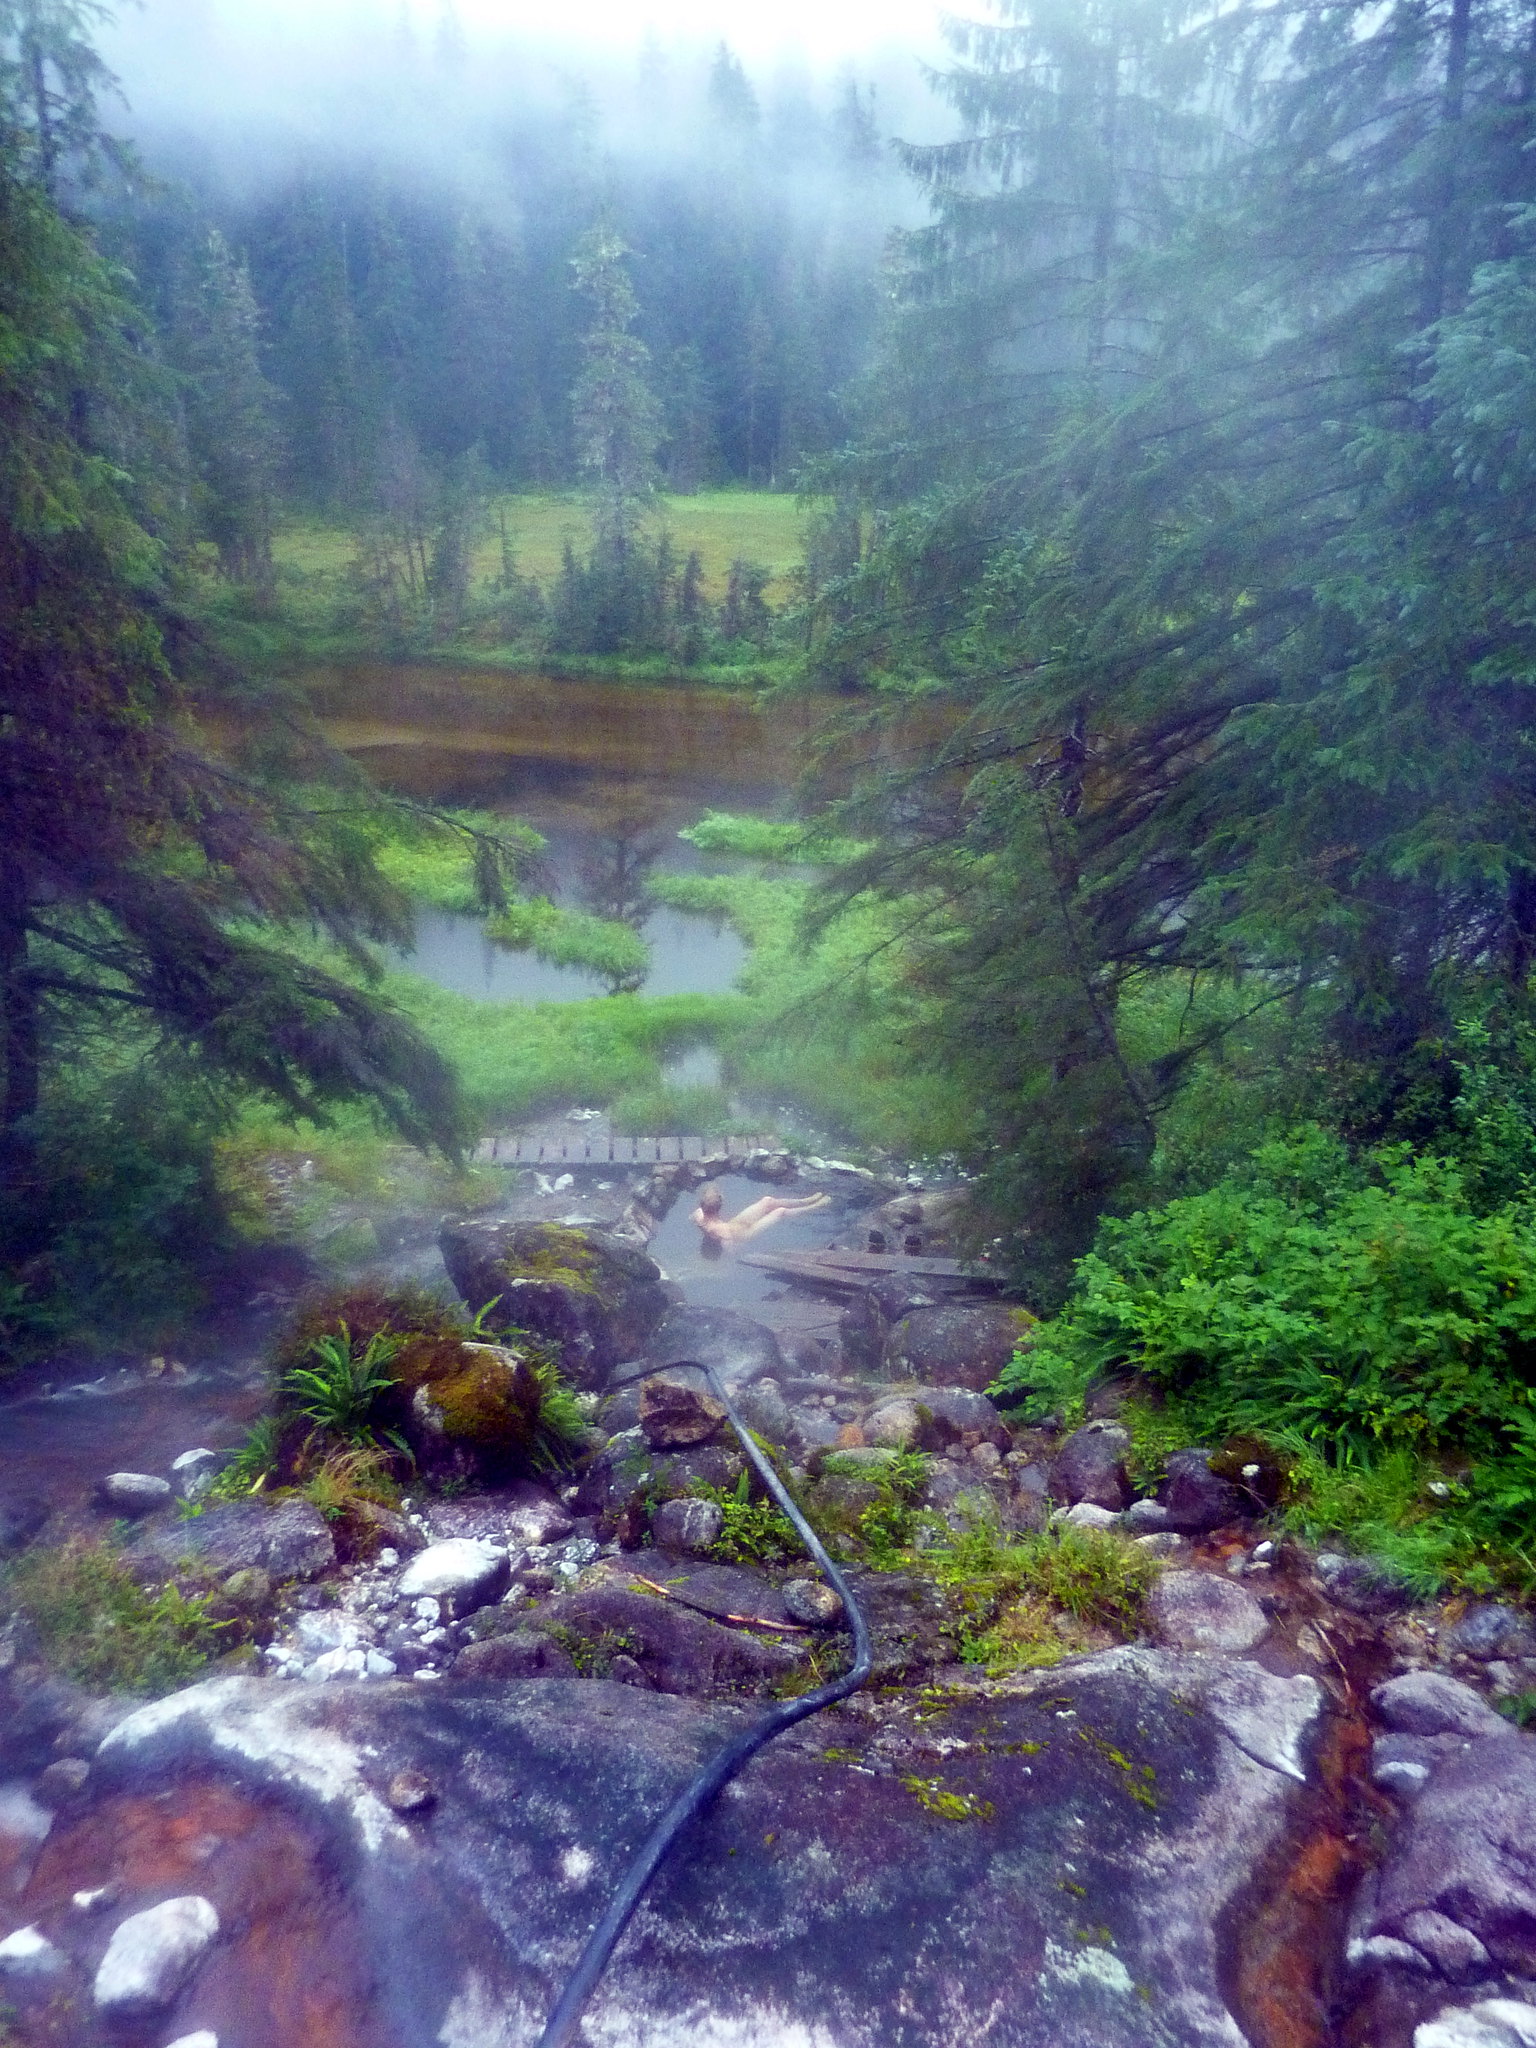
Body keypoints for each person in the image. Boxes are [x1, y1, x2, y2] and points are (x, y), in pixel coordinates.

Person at [690, 1180, 830, 1256]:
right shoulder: (719, 1229)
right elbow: (730, 1247)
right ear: (720, 1204)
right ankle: (815, 1206)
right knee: (780, 1212)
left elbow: (693, 1219)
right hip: (744, 1234)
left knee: (767, 1201)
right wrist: (741, 1251)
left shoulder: (698, 1214)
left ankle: (806, 1200)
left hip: (735, 1224)